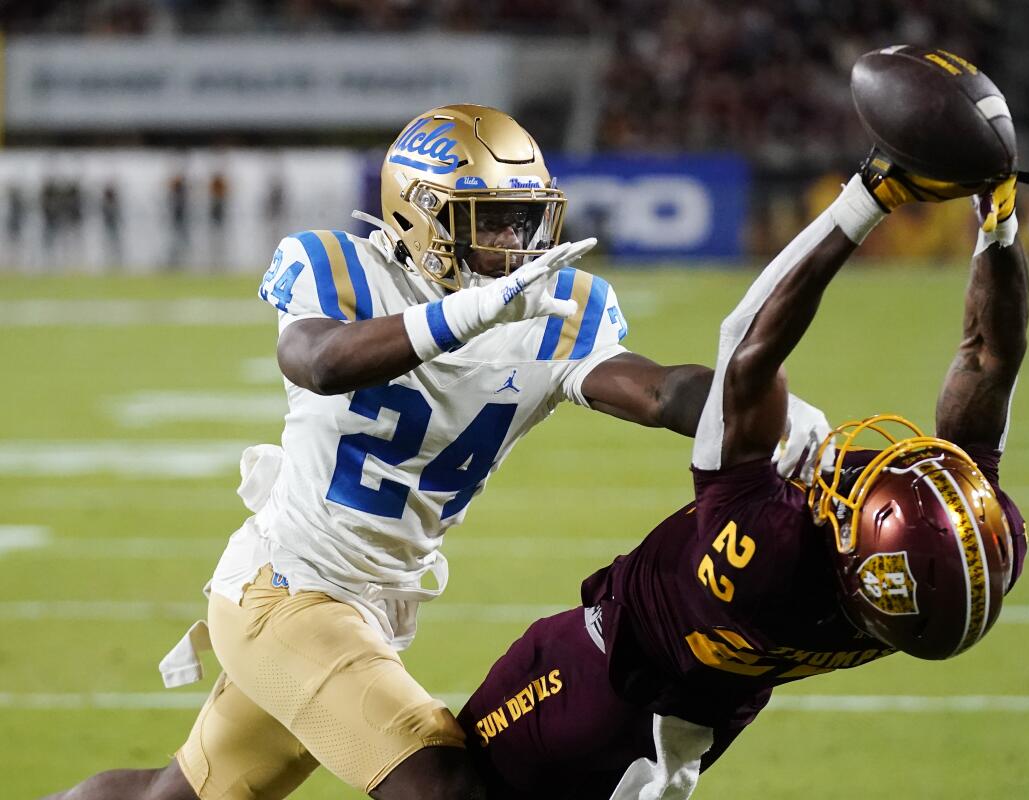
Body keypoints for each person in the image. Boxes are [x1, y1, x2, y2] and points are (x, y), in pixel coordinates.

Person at [44, 104, 825, 800]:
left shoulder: (546, 309)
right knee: (444, 784)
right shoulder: (343, 270)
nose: (512, 244)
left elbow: (656, 394)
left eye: (523, 221)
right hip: (284, 591)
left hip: (369, 608)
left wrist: (754, 406)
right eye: (488, 220)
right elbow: (319, 362)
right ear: (420, 217)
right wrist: (469, 314)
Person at [457, 152, 1029, 800]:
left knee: (447, 783)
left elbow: (748, 342)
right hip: (701, 725)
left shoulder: (768, 554)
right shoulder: (974, 555)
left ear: (851, 548)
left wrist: (868, 196)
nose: (860, 470)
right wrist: (999, 224)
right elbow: (988, 361)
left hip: (599, 677)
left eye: (865, 490)